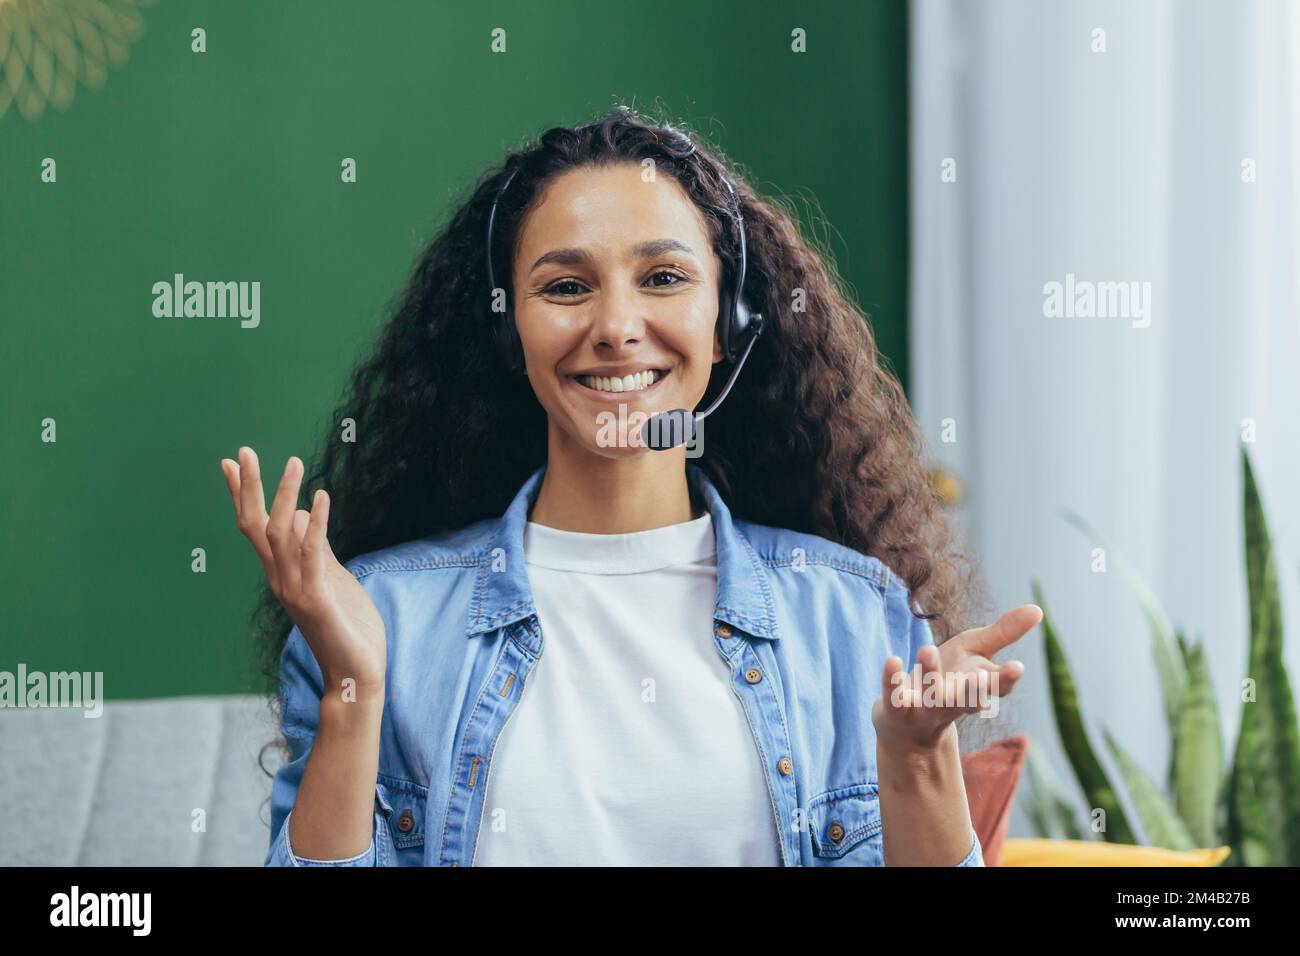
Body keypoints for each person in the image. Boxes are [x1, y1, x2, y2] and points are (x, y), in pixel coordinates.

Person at [220, 106, 1039, 867]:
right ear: (510, 332)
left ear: (730, 326)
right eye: (567, 287)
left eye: (663, 278)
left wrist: (916, 759)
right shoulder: (380, 617)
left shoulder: (851, 616)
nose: (615, 328)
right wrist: (352, 695)